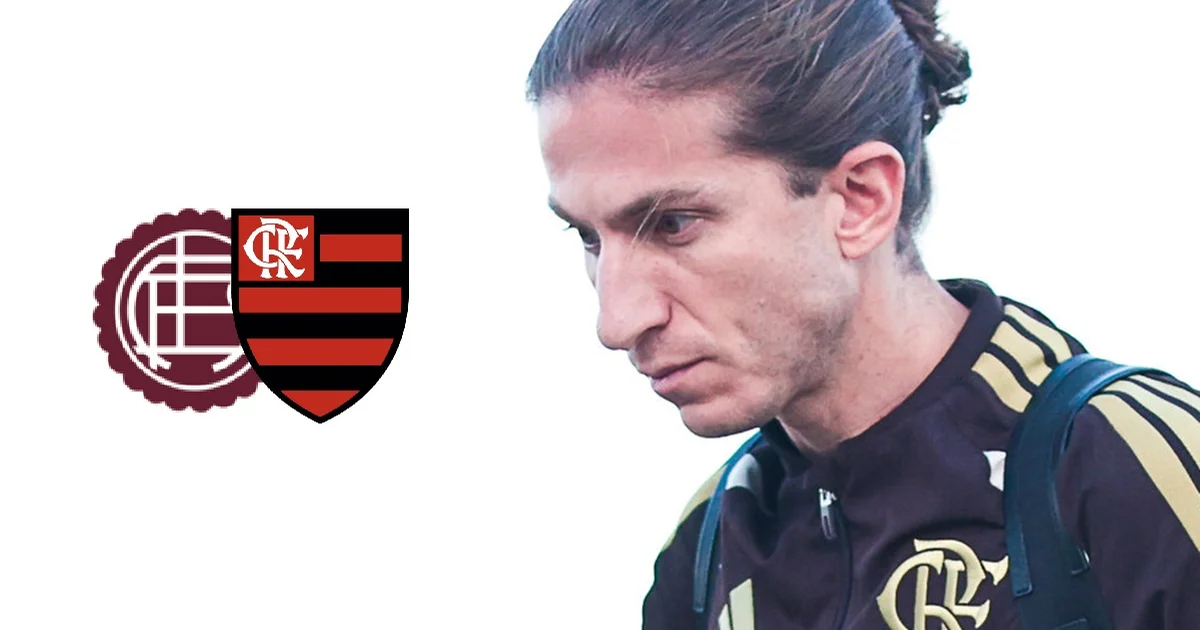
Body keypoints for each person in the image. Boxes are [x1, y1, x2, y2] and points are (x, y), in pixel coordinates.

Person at [524, 0, 1200, 628]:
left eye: (673, 224)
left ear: (860, 199)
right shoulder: (710, 544)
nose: (616, 321)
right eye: (589, 237)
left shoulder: (1126, 466)